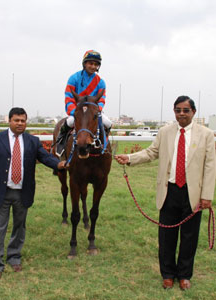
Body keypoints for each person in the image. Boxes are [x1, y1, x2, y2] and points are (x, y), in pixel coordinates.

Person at [115, 96, 216, 290]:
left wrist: (207, 196)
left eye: (185, 110)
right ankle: (168, 274)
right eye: (178, 110)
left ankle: (185, 275)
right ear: (174, 111)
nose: (181, 114)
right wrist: (129, 158)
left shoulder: (206, 134)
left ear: (193, 112)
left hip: (193, 193)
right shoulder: (165, 132)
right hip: (169, 191)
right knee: (166, 236)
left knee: (189, 236)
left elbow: (210, 166)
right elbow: (151, 152)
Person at [0, 107, 66, 281]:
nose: (19, 123)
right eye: (16, 120)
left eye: (23, 120)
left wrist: (59, 165)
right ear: (9, 121)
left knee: (19, 227)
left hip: (23, 192)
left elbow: (45, 157)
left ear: (26, 122)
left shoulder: (32, 141)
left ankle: (14, 257)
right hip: (1, 192)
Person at [56, 50, 112, 156]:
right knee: (69, 122)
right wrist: (75, 111)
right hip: (78, 111)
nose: (93, 66)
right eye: (90, 63)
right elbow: (69, 97)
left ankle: (104, 145)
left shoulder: (101, 82)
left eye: (96, 64)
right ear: (85, 64)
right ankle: (61, 144)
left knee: (108, 123)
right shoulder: (74, 78)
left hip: (93, 112)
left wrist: (97, 110)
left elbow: (102, 99)